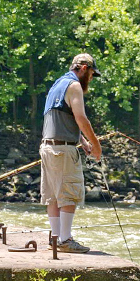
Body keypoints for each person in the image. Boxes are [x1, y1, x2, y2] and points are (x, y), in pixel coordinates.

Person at [40, 53, 103, 253]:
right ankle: (65, 240)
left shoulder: (56, 86)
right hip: (63, 151)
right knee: (69, 194)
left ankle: (56, 239)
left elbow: (63, 119)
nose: (91, 78)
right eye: (91, 74)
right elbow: (81, 119)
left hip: (47, 148)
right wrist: (96, 145)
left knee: (53, 196)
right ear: (83, 68)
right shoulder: (74, 86)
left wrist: (82, 141)